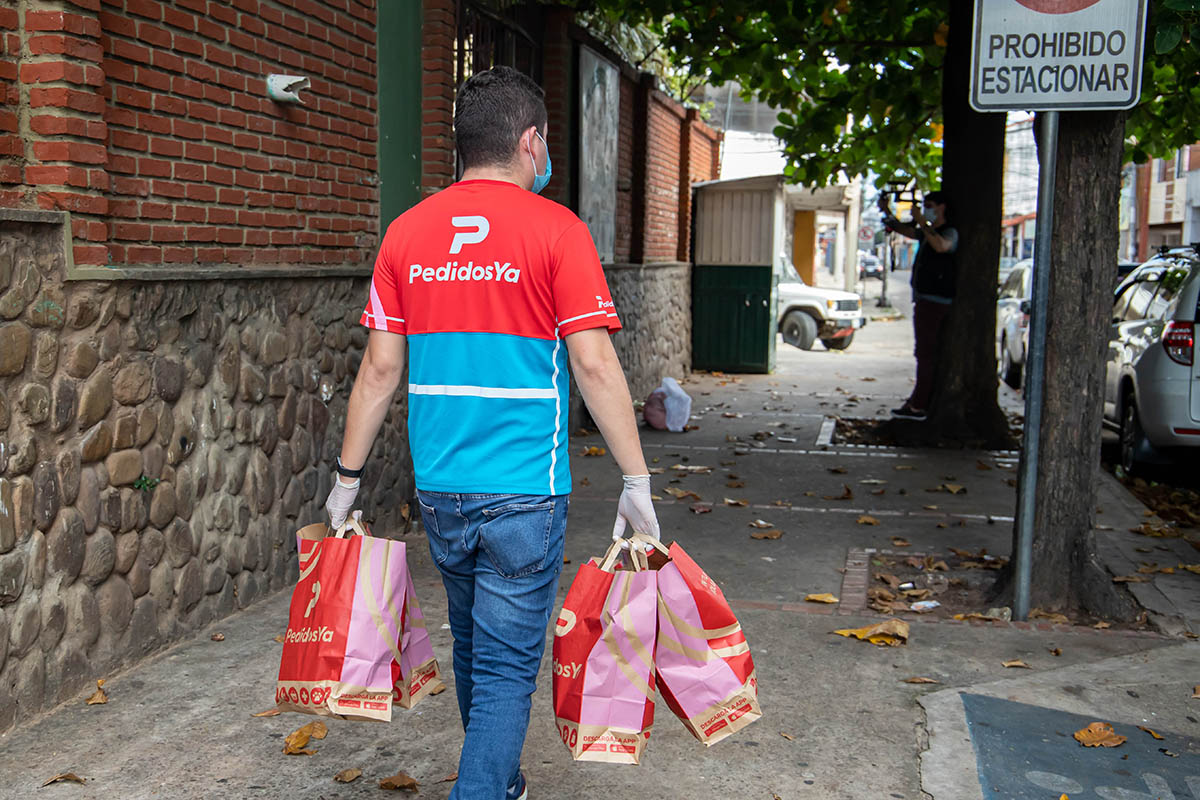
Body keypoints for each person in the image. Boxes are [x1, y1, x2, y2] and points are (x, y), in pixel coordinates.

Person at [322, 66, 662, 800]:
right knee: (507, 669)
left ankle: (500, 784)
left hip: (442, 487)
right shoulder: (558, 232)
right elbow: (595, 364)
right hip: (523, 495)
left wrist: (345, 484)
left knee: (478, 648)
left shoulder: (406, 234)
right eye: (545, 149)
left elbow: (379, 373)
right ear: (531, 141)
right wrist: (637, 481)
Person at [877, 190, 959, 421]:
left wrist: (923, 222)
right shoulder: (927, 232)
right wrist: (887, 212)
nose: (926, 209)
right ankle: (917, 400)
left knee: (926, 353)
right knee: (924, 352)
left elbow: (941, 246)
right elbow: (908, 231)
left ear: (942, 207)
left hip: (935, 301)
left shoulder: (948, 232)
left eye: (930, 205)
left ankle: (919, 405)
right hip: (925, 300)